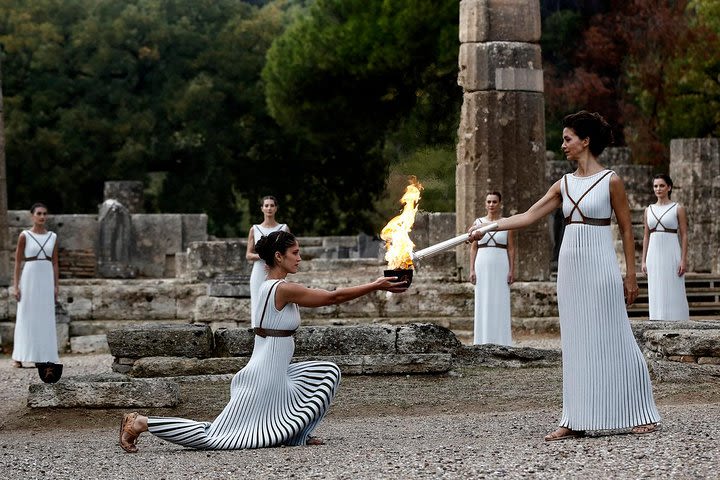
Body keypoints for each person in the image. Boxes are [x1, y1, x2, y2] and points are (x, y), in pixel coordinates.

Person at [119, 230, 407, 453]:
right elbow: (332, 297)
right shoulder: (281, 289)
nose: (299, 258)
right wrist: (375, 285)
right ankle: (140, 422)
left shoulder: (270, 287)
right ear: (279, 257)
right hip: (264, 378)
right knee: (218, 438)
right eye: (294, 253)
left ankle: (296, 434)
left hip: (276, 374)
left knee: (327, 372)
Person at [469, 111, 661, 440]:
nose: (563, 145)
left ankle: (641, 410)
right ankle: (573, 417)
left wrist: (631, 275)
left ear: (585, 141)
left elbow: (628, 229)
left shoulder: (611, 180)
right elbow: (529, 216)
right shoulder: (563, 184)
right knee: (574, 342)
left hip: (600, 264)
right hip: (570, 268)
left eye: (568, 139)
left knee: (615, 336)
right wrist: (489, 227)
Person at [12, 203, 60, 368]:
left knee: (45, 316)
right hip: (29, 278)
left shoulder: (52, 237)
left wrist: (56, 286)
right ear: (32, 216)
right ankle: (19, 356)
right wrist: (16, 286)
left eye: (44, 214)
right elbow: (18, 262)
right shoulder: (24, 235)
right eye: (39, 213)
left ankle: (44, 355)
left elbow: (55, 263)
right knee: (26, 315)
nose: (42, 217)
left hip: (46, 278)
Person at [469, 191, 515, 345]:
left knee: (500, 299)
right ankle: (482, 340)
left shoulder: (506, 222)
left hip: (501, 263)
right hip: (482, 262)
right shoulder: (478, 222)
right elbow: (473, 248)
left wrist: (511, 270)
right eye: (488, 202)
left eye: (494, 202)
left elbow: (511, 248)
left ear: (499, 203)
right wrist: (472, 269)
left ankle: (502, 341)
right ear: (485, 203)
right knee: (483, 299)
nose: (491, 205)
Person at [641, 174, 690, 321]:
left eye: (662, 185)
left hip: (672, 253)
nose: (658, 189)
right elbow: (646, 236)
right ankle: (657, 319)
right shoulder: (648, 210)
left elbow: (685, 235)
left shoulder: (677, 208)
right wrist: (643, 261)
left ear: (669, 187)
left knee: (674, 289)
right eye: (655, 186)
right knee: (656, 289)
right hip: (653, 255)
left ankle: (678, 321)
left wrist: (683, 260)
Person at [246, 195, 289, 326]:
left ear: (276, 208)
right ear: (262, 208)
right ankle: (257, 331)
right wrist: (264, 256)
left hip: (278, 271)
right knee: (258, 303)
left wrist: (275, 259)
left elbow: (289, 252)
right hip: (259, 271)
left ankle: (277, 329)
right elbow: (248, 254)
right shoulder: (255, 229)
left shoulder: (283, 228)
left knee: (278, 300)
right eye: (266, 205)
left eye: (272, 205)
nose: (269, 208)